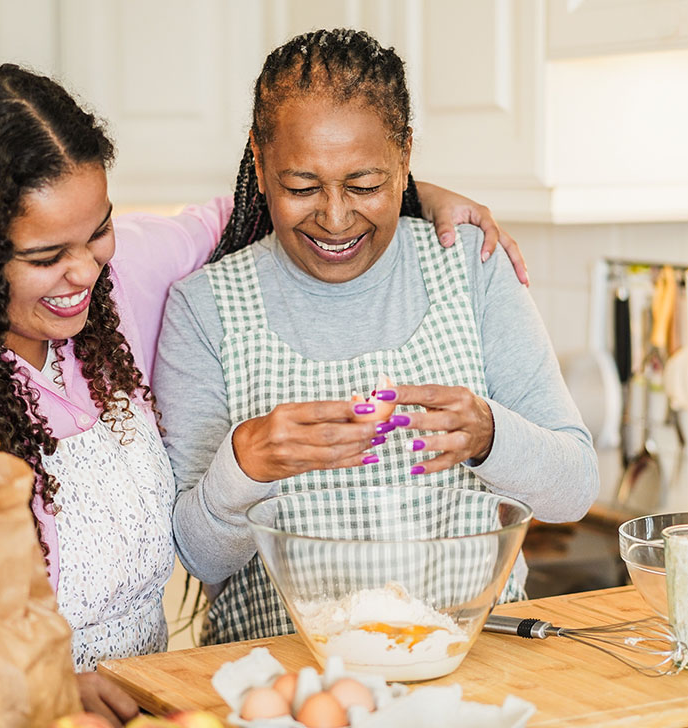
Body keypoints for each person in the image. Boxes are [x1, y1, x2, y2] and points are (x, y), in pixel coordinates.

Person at [0, 63, 527, 728]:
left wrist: (403, 189)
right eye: (44, 254)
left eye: (98, 232)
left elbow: (264, 206)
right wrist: (17, 689)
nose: (86, 272)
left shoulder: (121, 288)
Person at [154, 29, 599, 646]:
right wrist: (246, 466)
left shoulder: (471, 266)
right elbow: (201, 558)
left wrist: (490, 434)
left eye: (364, 185)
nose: (335, 219)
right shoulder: (206, 308)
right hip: (291, 691)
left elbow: (575, 487)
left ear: (406, 158)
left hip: (475, 671)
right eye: (301, 187)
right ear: (258, 163)